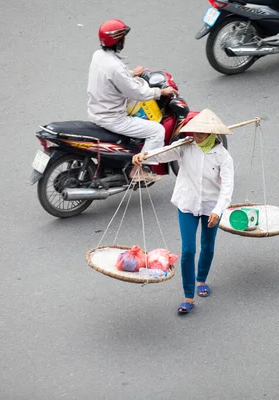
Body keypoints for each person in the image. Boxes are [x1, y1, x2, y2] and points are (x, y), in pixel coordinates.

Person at [132, 109, 234, 314]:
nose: (196, 136)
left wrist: (217, 210)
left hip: (211, 207)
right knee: (188, 250)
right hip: (187, 204)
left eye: (201, 133)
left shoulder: (223, 157)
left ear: (212, 133)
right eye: (194, 132)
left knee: (207, 245)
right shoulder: (185, 147)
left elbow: (227, 187)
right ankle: (188, 295)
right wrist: (145, 156)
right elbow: (162, 154)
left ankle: (201, 280)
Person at [87, 19, 179, 182]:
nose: (124, 41)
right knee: (157, 131)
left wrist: (131, 74)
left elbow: (112, 78)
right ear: (118, 40)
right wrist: (161, 91)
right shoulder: (115, 67)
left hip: (96, 111)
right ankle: (138, 170)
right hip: (113, 118)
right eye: (123, 38)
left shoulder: (98, 55)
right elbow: (137, 92)